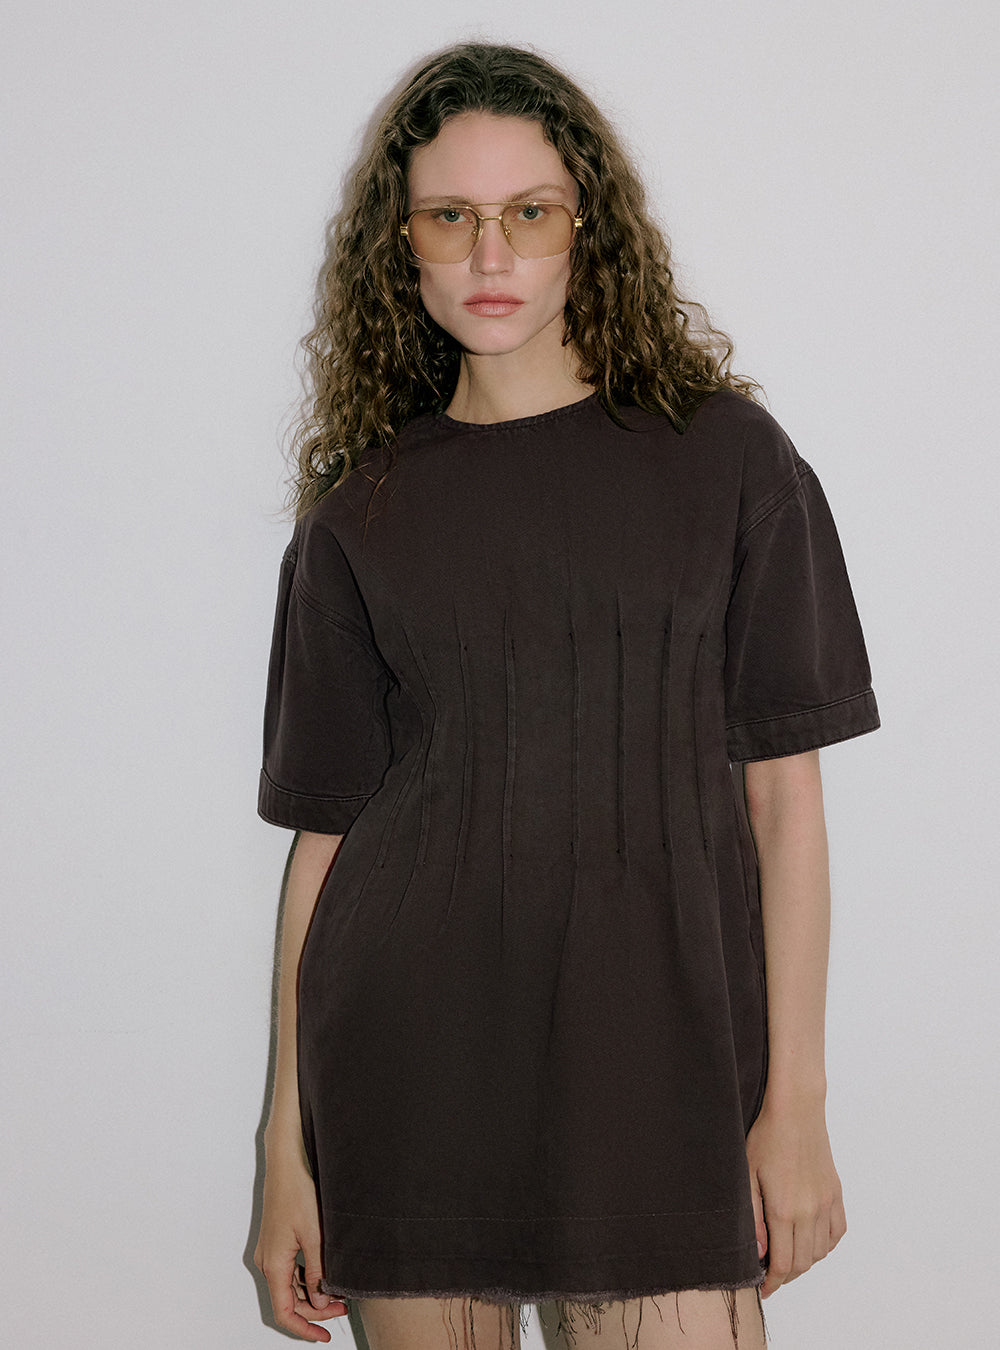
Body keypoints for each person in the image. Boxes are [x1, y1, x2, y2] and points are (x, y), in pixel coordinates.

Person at [252, 41, 879, 1350]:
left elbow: (786, 806)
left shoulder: (727, 460)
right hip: (411, 1066)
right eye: (450, 217)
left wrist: (797, 1106)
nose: (491, 255)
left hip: (663, 1077)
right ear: (401, 244)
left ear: (589, 228)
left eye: (529, 213)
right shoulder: (361, 511)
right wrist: (283, 1151)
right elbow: (326, 846)